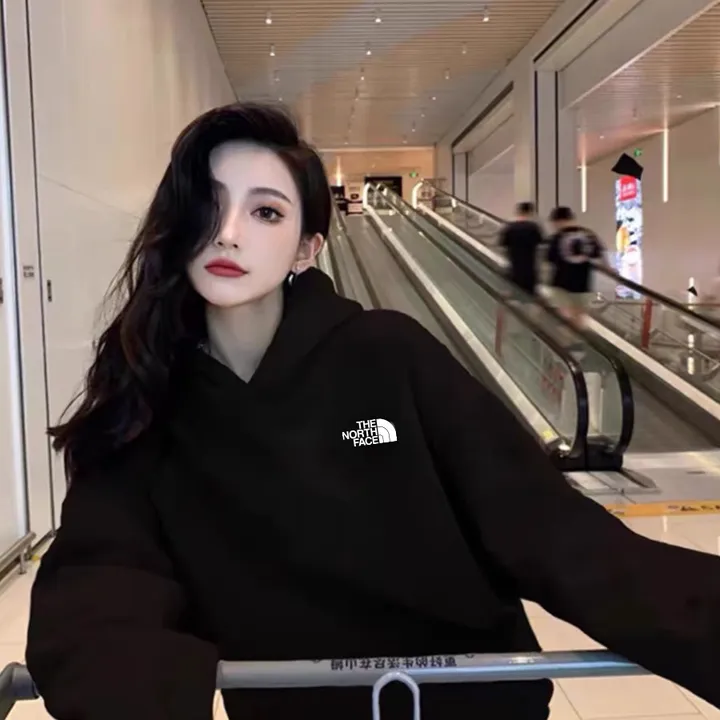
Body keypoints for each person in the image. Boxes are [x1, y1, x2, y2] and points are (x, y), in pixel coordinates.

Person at [25, 103, 720, 720]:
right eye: (208, 204)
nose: (227, 232)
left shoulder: (388, 356)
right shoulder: (151, 397)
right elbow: (102, 581)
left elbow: (551, 531)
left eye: (266, 212)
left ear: (307, 248)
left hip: (468, 705)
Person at [546, 206, 609, 327]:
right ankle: (578, 336)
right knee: (579, 319)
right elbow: (600, 254)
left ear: (559, 221)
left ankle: (566, 336)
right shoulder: (588, 234)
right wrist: (609, 268)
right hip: (583, 284)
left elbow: (550, 261)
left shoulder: (557, 237)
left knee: (563, 319)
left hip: (561, 285)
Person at [498, 201, 545, 299]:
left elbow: (503, 247)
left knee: (513, 296)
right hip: (530, 271)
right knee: (530, 298)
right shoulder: (534, 228)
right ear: (530, 212)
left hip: (513, 269)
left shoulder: (509, 227)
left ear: (518, 211)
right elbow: (540, 248)